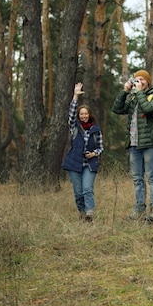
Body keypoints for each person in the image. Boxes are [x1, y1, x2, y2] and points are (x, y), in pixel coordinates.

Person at [112, 69, 153, 222]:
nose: (139, 82)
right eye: (137, 79)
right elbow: (117, 109)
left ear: (148, 81)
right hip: (134, 143)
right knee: (137, 178)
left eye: (142, 79)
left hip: (150, 143)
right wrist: (125, 91)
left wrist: (139, 92)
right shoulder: (134, 97)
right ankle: (139, 209)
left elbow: (148, 109)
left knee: (152, 177)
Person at [62, 82, 104, 222]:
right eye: (81, 114)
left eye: (86, 114)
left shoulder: (96, 130)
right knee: (78, 192)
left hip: (90, 163)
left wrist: (95, 153)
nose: (84, 116)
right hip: (75, 162)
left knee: (87, 189)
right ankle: (81, 212)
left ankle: (89, 215)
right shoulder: (74, 127)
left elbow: (100, 147)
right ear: (79, 116)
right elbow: (71, 114)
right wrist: (75, 96)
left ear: (89, 115)